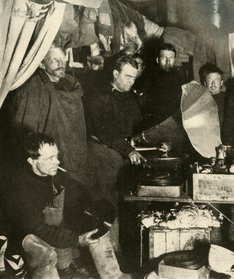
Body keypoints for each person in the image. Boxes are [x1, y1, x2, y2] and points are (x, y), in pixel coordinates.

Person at [6, 133, 99, 277]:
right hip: (20, 235)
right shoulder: (22, 188)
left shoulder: (54, 174)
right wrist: (77, 239)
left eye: (56, 156)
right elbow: (38, 229)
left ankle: (66, 266)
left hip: (45, 227)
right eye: (50, 158)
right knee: (45, 254)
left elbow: (75, 204)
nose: (57, 162)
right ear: (32, 161)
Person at [9, 46, 89, 186]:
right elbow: (26, 129)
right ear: (41, 64)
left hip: (73, 150)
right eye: (54, 60)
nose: (60, 64)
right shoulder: (33, 89)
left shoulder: (72, 84)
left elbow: (79, 125)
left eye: (62, 60)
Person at [84, 54, 144, 204]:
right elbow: (107, 132)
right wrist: (129, 150)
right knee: (115, 184)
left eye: (134, 77)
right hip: (102, 149)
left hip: (121, 146)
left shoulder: (129, 96)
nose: (132, 81)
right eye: (128, 76)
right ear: (116, 74)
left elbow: (137, 124)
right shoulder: (100, 97)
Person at [144, 43, 187, 128]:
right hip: (154, 123)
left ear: (174, 59)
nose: (168, 61)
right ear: (157, 60)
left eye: (171, 58)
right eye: (164, 58)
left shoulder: (180, 78)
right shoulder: (149, 77)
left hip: (175, 122)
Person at [199, 63, 225, 128]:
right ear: (205, 83)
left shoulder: (228, 98)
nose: (213, 84)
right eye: (210, 80)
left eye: (216, 80)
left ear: (221, 82)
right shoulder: (200, 100)